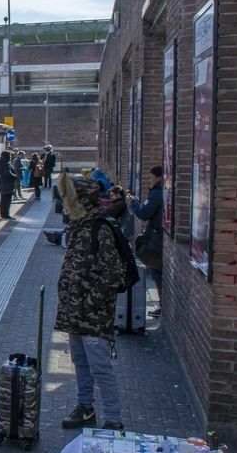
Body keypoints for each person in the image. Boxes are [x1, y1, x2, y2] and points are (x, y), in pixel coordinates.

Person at [56, 173, 126, 431]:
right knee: (81, 363)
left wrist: (89, 304)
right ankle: (85, 407)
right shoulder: (79, 226)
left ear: (81, 201)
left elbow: (112, 274)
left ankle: (114, 419)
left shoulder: (99, 228)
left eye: (69, 199)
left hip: (92, 316)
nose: (65, 204)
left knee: (100, 368)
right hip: (75, 314)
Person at [129, 166, 164, 317]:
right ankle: (162, 305)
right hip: (158, 236)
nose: (150, 180)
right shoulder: (160, 192)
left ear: (158, 177)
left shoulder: (157, 194)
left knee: (157, 271)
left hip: (156, 238)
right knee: (156, 271)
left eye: (151, 177)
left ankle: (163, 305)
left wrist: (134, 203)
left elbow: (144, 213)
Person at [0, 151, 18, 219]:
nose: (11, 157)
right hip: (7, 184)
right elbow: (8, 173)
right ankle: (6, 214)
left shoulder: (1, 162)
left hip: (3, 183)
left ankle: (3, 214)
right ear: (6, 156)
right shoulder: (6, 164)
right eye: (10, 156)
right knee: (7, 200)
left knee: (3, 200)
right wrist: (15, 176)